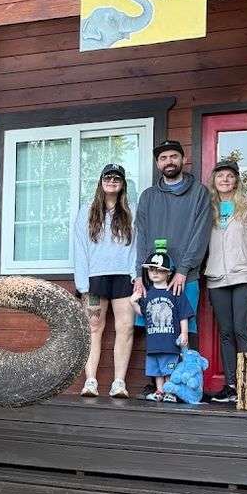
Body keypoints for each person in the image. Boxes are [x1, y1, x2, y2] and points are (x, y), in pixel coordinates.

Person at [133, 139, 211, 395]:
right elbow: (141, 236)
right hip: (153, 276)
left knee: (184, 328)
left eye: (173, 156)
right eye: (163, 157)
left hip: (184, 276)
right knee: (155, 326)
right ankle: (159, 383)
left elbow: (200, 235)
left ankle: (184, 384)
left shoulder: (199, 192)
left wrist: (182, 270)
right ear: (157, 163)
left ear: (182, 159)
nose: (169, 161)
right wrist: (139, 275)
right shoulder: (148, 196)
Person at [204, 158, 247, 403]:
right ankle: (230, 387)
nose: (225, 179)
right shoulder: (208, 208)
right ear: (214, 180)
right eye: (220, 175)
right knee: (226, 332)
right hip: (216, 276)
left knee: (241, 329)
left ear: (236, 180)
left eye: (230, 175)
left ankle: (246, 386)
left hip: (244, 275)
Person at [74, 163, 137, 398]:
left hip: (123, 277)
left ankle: (118, 383)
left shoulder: (132, 210)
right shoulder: (87, 210)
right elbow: (80, 248)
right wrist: (82, 284)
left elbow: (137, 247)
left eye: (117, 178)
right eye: (107, 177)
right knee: (93, 328)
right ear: (101, 182)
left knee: (126, 328)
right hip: (94, 280)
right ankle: (90, 381)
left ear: (122, 184)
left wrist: (135, 276)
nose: (112, 181)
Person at [129, 247, 194, 401]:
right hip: (153, 343)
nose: (155, 273)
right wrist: (133, 303)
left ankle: (171, 391)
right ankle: (160, 391)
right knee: (157, 370)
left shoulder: (175, 292)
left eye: (159, 270)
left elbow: (183, 315)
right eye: (151, 270)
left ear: (168, 272)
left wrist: (184, 332)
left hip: (169, 343)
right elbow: (144, 313)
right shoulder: (147, 294)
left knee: (169, 370)